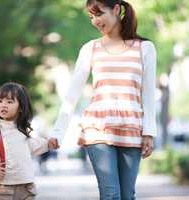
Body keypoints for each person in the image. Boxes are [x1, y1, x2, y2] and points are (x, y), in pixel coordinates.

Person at [50, 0, 157, 199]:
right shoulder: (90, 49)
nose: (95, 21)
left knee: (127, 195)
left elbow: (148, 95)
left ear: (116, 10)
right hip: (98, 128)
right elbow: (72, 93)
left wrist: (149, 132)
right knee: (111, 195)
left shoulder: (145, 48)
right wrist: (58, 132)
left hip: (131, 127)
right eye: (91, 17)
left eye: (99, 14)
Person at [0, 82, 58, 200]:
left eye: (9, 102)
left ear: (21, 107)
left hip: (27, 187)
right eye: (0, 101)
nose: (3, 105)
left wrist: (48, 144)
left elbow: (33, 145)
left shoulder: (21, 131)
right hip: (5, 189)